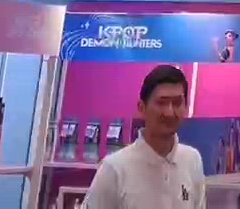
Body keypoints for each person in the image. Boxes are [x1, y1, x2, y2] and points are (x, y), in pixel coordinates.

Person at [83, 65, 205, 209]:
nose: (170, 112)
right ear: (142, 108)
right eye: (162, 103)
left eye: (177, 103)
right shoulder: (114, 168)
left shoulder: (192, 160)